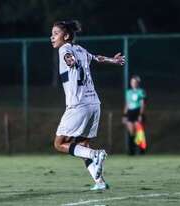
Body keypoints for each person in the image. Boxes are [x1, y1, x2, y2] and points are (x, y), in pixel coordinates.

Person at [50, 20, 125, 190]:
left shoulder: (65, 49)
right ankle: (100, 182)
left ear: (66, 36)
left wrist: (70, 61)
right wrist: (113, 61)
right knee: (82, 145)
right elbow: (97, 58)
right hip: (94, 104)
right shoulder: (81, 49)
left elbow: (68, 58)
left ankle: (96, 155)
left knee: (59, 143)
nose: (52, 37)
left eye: (55, 33)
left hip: (78, 105)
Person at [122, 75, 146, 155]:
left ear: (138, 83)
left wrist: (141, 115)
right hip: (130, 113)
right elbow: (127, 104)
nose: (133, 83)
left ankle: (141, 150)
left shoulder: (141, 91)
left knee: (139, 132)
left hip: (137, 111)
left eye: (135, 82)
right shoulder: (128, 92)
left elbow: (143, 104)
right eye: (132, 82)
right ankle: (131, 150)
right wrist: (124, 115)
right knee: (131, 132)